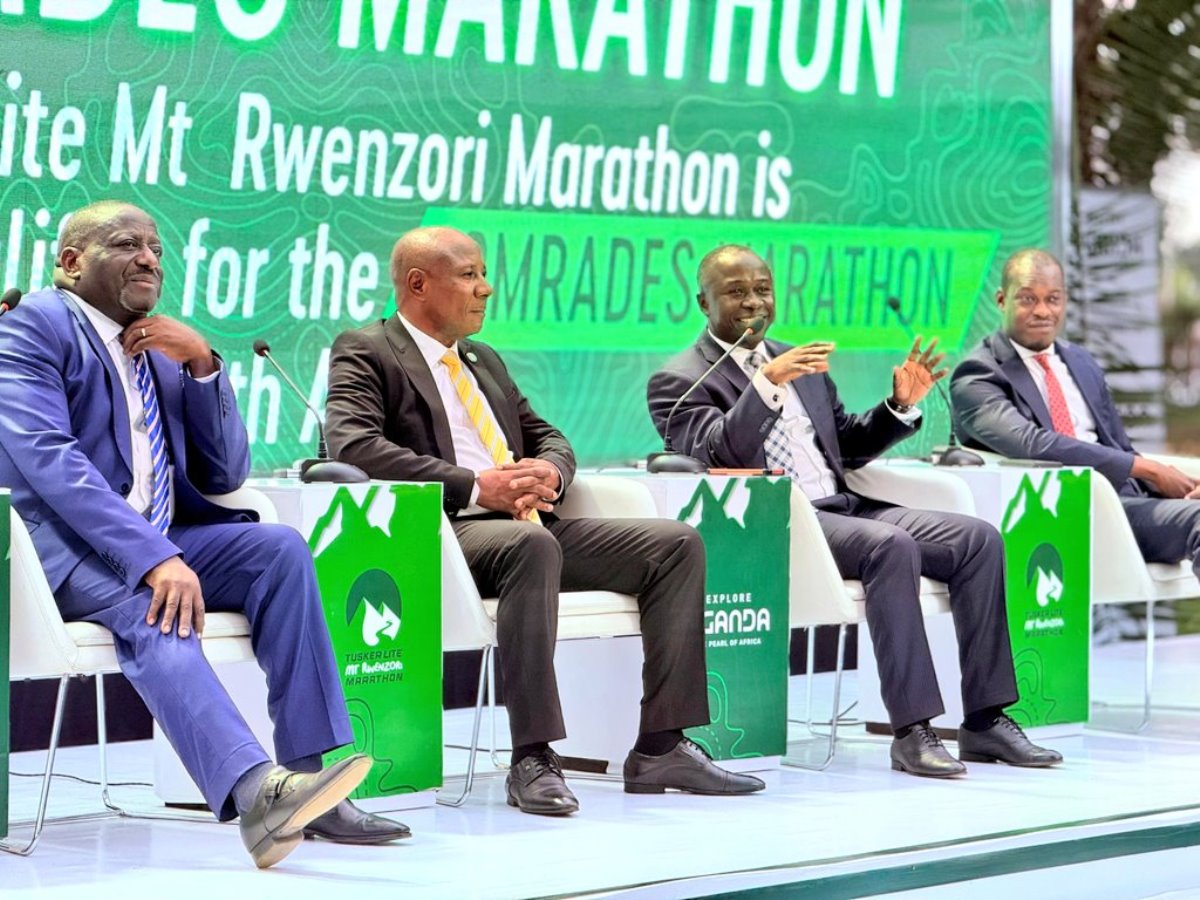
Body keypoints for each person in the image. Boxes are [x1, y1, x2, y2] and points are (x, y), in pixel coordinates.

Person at [0, 200, 407, 867]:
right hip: (65, 551)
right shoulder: (35, 326)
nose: (148, 259)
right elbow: (52, 463)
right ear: (71, 262)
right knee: (158, 605)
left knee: (279, 550)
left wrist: (201, 366)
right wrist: (154, 557)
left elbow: (225, 472)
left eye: (156, 248)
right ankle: (257, 793)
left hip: (161, 536)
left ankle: (312, 786)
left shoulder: (160, 345)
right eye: (127, 244)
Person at [325, 225, 764, 815]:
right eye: (469, 275)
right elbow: (353, 444)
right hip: (444, 530)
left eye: (484, 274)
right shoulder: (368, 349)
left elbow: (547, 435)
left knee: (676, 544)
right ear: (418, 284)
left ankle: (662, 746)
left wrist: (550, 472)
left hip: (528, 525)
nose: (486, 288)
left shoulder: (480, 359)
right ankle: (533, 756)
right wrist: (477, 484)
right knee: (530, 548)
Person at [647, 243, 1062, 777]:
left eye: (763, 290)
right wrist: (766, 384)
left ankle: (986, 721)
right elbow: (718, 454)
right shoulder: (680, 380)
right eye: (736, 292)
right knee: (892, 547)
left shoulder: (801, 361)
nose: (753, 302)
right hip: (781, 522)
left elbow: (844, 445)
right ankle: (913, 731)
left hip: (846, 509)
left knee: (977, 540)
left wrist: (898, 406)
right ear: (704, 303)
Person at [951, 247, 1200, 577]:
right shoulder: (977, 374)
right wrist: (1150, 469)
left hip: (1125, 503)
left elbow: (1120, 448)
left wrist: (1184, 486)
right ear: (1001, 300)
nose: (1043, 311)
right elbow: (1032, 444)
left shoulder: (1081, 362)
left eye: (1053, 299)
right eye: (1028, 299)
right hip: (1061, 512)